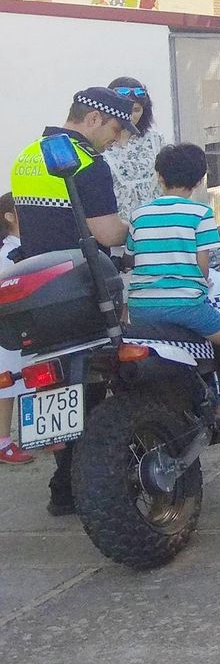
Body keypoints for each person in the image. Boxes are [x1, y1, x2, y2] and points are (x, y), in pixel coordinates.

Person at [10, 87, 135, 515]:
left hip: (37, 290)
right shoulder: (87, 163)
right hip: (83, 288)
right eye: (116, 129)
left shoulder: (27, 155)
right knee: (103, 380)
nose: (116, 139)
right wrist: (135, 225)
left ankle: (62, 487)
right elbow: (107, 232)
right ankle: (92, 480)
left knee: (60, 386)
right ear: (94, 119)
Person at [125, 143, 220, 442]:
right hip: (185, 306)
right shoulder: (200, 213)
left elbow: (133, 257)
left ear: (160, 176)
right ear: (199, 180)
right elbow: (202, 268)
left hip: (141, 309)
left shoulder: (139, 215)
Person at [101, 77, 165, 224]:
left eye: (136, 109)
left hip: (154, 224)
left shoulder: (156, 140)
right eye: (126, 108)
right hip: (115, 225)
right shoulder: (99, 142)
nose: (130, 115)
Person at [0, 193, 32, 466]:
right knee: (8, 382)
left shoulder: (25, 246)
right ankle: (3, 443)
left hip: (23, 327)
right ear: (9, 216)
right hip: (9, 328)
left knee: (25, 380)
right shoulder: (8, 253)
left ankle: (32, 435)